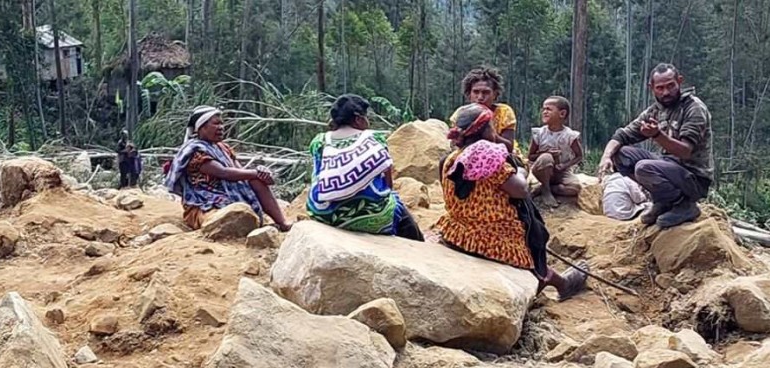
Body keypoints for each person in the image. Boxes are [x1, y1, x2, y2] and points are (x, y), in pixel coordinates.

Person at [435, 104, 588, 301]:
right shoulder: (486, 156)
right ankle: (555, 281)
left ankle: (556, 280)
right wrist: (522, 172)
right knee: (532, 237)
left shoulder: (451, 158)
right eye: (491, 127)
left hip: (458, 230)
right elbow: (521, 190)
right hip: (490, 236)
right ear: (484, 130)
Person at [596, 63, 713, 229]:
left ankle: (684, 205)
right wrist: (606, 156)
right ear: (651, 88)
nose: (665, 92)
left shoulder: (694, 108)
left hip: (693, 177)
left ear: (680, 81)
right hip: (669, 166)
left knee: (644, 168)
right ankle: (663, 201)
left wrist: (657, 135)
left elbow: (685, 151)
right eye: (660, 88)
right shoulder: (656, 111)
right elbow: (622, 134)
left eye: (670, 86)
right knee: (621, 155)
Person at [307, 94, 423, 241]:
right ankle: (417, 249)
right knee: (404, 217)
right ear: (358, 119)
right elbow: (388, 184)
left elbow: (317, 175)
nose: (368, 122)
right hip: (372, 215)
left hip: (324, 215)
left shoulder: (319, 141)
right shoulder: (374, 139)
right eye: (366, 117)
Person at [163, 105, 292, 231]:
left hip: (226, 194)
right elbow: (224, 173)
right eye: (216, 124)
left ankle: (282, 223)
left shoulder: (222, 147)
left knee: (256, 181)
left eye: (221, 124)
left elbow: (240, 171)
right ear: (201, 128)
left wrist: (261, 174)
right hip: (204, 202)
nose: (221, 127)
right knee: (222, 216)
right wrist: (256, 172)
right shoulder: (195, 152)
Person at [527, 96, 584, 208]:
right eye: (543, 109)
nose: (544, 112)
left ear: (562, 114)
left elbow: (579, 156)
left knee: (575, 188)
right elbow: (530, 156)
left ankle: (547, 188)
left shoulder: (569, 136)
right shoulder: (539, 133)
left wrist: (564, 165)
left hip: (561, 172)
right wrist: (545, 153)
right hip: (542, 169)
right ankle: (546, 191)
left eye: (549, 109)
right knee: (546, 158)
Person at [449, 67, 519, 156]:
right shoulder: (461, 113)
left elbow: (509, 147)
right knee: (444, 162)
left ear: (495, 94)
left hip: (502, 156)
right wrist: (458, 140)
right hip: (468, 155)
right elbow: (457, 146)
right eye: (475, 92)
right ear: (469, 94)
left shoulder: (504, 112)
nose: (480, 97)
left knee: (518, 170)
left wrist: (492, 136)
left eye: (486, 92)